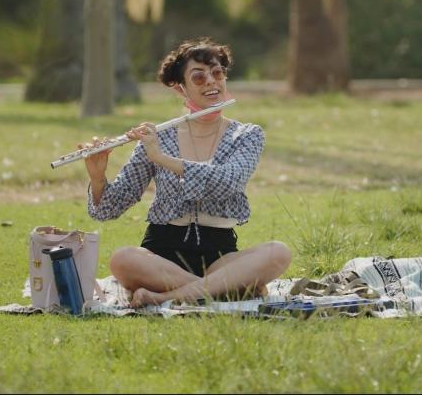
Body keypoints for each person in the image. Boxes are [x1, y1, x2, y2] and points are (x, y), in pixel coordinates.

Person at [79, 37, 292, 308]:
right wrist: (98, 177)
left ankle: (167, 297)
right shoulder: (159, 138)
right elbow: (108, 209)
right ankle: (224, 290)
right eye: (199, 77)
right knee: (122, 259)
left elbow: (229, 181)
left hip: (219, 257)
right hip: (162, 256)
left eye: (217, 73)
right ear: (181, 88)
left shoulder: (247, 134)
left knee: (278, 252)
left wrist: (163, 159)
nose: (212, 82)